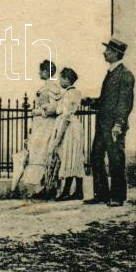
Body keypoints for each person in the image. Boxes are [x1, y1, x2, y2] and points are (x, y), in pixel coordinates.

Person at [83, 37, 135, 207]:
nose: (104, 53)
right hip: (102, 125)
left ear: (115, 54)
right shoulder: (111, 73)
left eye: (108, 50)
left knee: (115, 160)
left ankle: (118, 197)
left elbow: (125, 103)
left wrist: (118, 124)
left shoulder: (125, 75)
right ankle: (101, 194)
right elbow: (107, 101)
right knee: (96, 157)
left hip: (113, 127)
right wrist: (92, 101)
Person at [18, 59, 62, 197]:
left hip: (46, 125)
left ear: (46, 72)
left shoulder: (53, 88)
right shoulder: (45, 87)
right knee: (37, 154)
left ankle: (47, 187)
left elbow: (54, 108)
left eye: (41, 70)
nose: (39, 73)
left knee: (44, 154)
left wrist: (39, 112)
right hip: (40, 126)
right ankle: (40, 188)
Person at [46, 67, 85, 201]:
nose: (59, 81)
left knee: (69, 157)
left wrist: (58, 137)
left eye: (61, 78)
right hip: (73, 126)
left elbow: (66, 116)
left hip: (69, 128)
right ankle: (78, 191)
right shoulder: (73, 93)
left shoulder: (70, 94)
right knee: (75, 157)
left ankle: (67, 192)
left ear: (67, 79)